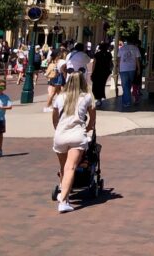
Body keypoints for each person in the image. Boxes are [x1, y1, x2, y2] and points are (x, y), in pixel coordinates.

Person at [51, 70, 96, 213]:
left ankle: (65, 195)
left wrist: (57, 128)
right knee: (70, 167)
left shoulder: (60, 97)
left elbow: (54, 117)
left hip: (61, 134)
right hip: (77, 134)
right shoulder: (87, 97)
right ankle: (63, 201)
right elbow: (92, 117)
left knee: (63, 167)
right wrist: (88, 127)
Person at [118, 38, 141, 109]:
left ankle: (126, 101)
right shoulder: (136, 48)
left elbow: (119, 59)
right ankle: (126, 100)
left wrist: (118, 68)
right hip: (132, 68)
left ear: (127, 42)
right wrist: (139, 69)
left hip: (123, 69)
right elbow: (137, 60)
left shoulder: (122, 48)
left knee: (125, 86)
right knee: (129, 85)